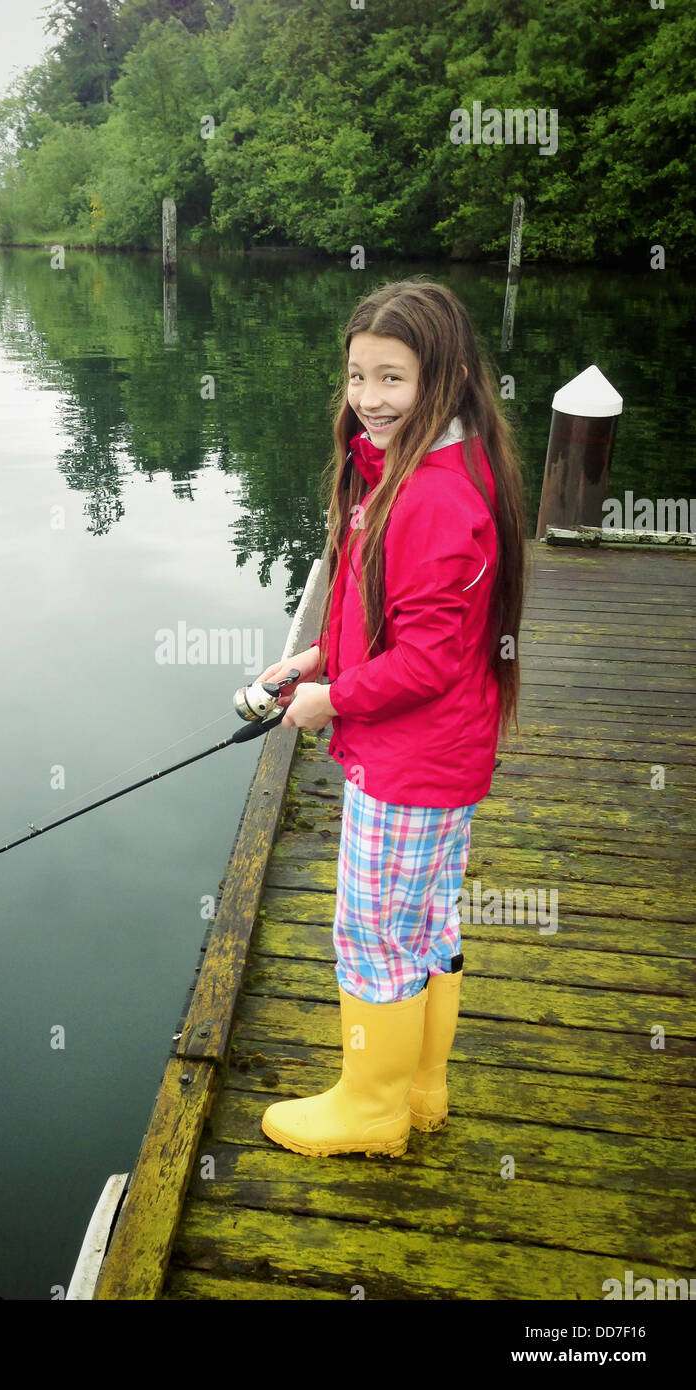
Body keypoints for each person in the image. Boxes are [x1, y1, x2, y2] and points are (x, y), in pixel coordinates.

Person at [256, 278, 527, 1159]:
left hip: (412, 764)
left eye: (393, 380)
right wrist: (314, 661)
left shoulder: (435, 498)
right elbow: (390, 616)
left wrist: (329, 701)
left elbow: (428, 661)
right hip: (438, 760)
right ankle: (419, 1090)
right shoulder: (429, 465)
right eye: (357, 377)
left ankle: (371, 1111)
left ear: (441, 380)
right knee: (426, 926)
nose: (369, 400)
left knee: (372, 935)